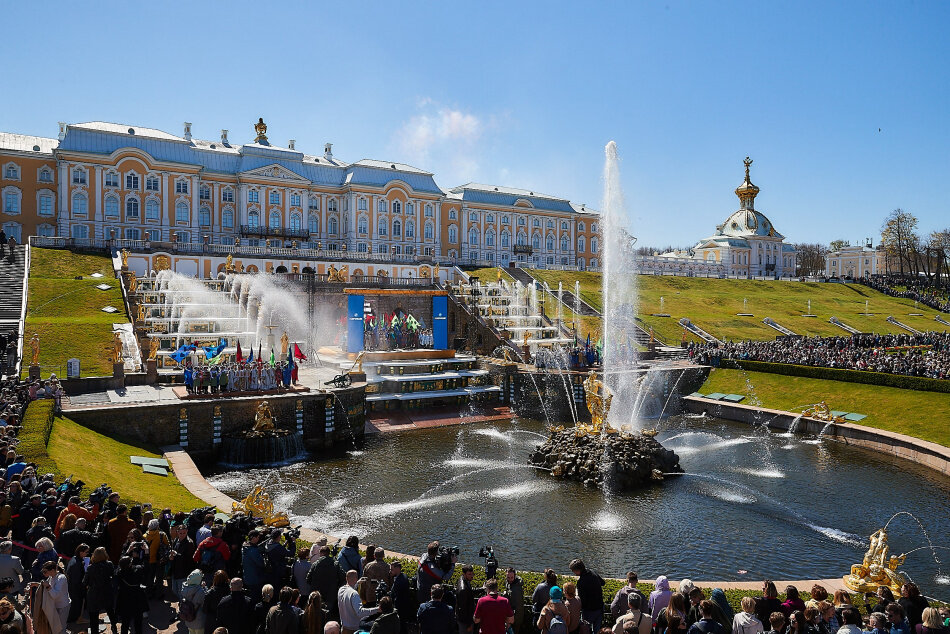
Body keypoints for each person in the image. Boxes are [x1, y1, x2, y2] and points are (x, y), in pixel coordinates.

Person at [84, 547, 118, 634]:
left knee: (94, 616)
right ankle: (114, 627)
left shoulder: (90, 568)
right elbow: (113, 576)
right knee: (110, 611)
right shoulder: (109, 564)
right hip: (106, 592)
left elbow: (85, 582)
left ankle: (94, 631)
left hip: (94, 593)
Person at [308, 545, 346, 620]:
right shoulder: (335, 564)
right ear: (329, 553)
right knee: (328, 614)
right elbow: (343, 577)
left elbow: (308, 579)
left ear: (320, 553)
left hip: (317, 593)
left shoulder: (315, 564)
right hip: (331, 593)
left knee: (315, 613)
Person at [338, 569, 380, 634]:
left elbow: (349, 591)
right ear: (356, 578)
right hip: (353, 630)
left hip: (344, 628)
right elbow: (360, 613)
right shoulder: (354, 594)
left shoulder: (341, 590)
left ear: (346, 578)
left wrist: (357, 583)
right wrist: (377, 609)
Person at [115, 555, 148, 634]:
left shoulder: (119, 573)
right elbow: (146, 567)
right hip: (137, 598)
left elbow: (119, 568)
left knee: (125, 623)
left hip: (124, 599)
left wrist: (127, 551)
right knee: (138, 623)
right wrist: (146, 553)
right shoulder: (137, 570)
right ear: (130, 564)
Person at [571, 559, 605, 634]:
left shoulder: (581, 582)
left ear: (578, 570)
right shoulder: (593, 572)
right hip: (599, 607)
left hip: (589, 611)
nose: (573, 573)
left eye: (573, 571)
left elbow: (582, 600)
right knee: (597, 631)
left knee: (585, 630)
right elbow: (603, 583)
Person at [40, 560, 70, 634]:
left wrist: (48, 586)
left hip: (63, 606)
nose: (44, 574)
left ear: (52, 570)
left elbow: (55, 595)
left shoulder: (61, 578)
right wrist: (35, 584)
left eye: (45, 571)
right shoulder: (51, 577)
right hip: (55, 605)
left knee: (61, 628)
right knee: (55, 627)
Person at [144, 518, 169, 597]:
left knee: (149, 578)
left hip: (149, 560)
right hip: (159, 560)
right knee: (159, 578)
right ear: (158, 526)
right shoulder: (162, 535)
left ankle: (149, 594)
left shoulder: (145, 536)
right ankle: (159, 594)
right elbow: (168, 545)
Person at [171, 523, 198, 599]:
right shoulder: (176, 540)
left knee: (181, 593)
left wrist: (176, 555)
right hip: (175, 570)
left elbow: (189, 559)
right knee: (174, 591)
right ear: (177, 532)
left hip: (183, 572)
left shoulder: (189, 543)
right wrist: (171, 556)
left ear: (187, 531)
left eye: (184, 533)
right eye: (180, 533)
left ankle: (182, 608)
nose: (182, 535)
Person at [65, 544, 89, 624]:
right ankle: (76, 619)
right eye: (86, 552)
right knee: (76, 605)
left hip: (73, 587)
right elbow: (76, 580)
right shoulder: (76, 564)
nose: (87, 554)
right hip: (75, 588)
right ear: (80, 552)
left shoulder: (75, 559)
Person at [180, 570, 209, 634]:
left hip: (188, 617)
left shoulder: (184, 587)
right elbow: (206, 600)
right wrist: (204, 587)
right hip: (198, 619)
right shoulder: (200, 591)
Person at [242, 530, 267, 598]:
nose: (259, 538)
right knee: (256, 597)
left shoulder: (245, 547)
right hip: (255, 579)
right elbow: (261, 563)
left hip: (247, 577)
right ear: (253, 538)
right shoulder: (253, 551)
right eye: (258, 537)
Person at [389, 561, 412, 634]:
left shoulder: (400, 581)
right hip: (403, 608)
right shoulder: (402, 577)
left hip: (401, 608)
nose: (390, 571)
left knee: (401, 627)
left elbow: (398, 597)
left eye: (392, 569)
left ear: (397, 569)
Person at [505, 567, 525, 634]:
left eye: (511, 577)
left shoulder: (516, 589)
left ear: (515, 576)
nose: (510, 579)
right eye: (508, 577)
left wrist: (510, 621)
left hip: (515, 618)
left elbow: (518, 608)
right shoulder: (510, 583)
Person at [456, 565, 476, 634]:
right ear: (464, 574)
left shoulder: (462, 579)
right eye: (469, 574)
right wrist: (469, 624)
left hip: (464, 619)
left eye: (472, 573)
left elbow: (470, 592)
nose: (472, 576)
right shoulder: (463, 590)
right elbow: (463, 609)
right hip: (464, 621)